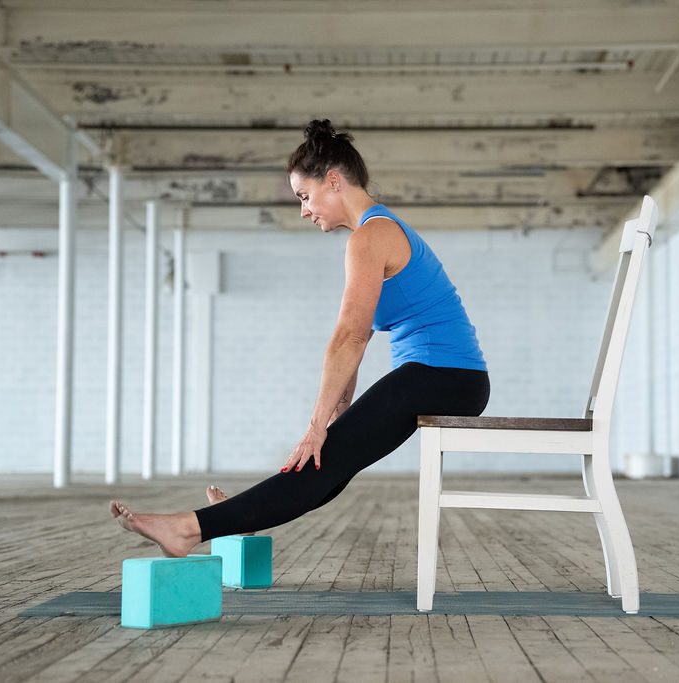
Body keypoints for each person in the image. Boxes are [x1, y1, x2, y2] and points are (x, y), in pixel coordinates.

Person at [110, 119, 490, 557]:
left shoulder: (373, 236)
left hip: (444, 376)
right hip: (443, 376)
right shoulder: (375, 232)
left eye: (304, 196)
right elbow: (359, 337)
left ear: (333, 181)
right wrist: (337, 414)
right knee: (328, 464)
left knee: (320, 458)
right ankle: (235, 520)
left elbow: (347, 338)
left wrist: (315, 428)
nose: (304, 210)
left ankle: (189, 529)